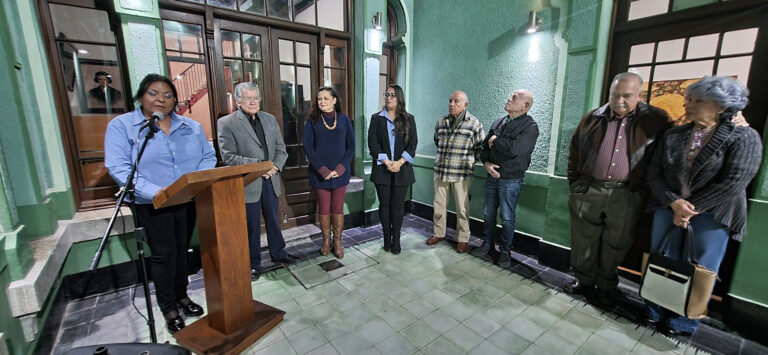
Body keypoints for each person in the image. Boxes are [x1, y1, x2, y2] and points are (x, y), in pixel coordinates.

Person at [644, 76, 762, 336]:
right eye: (689, 99)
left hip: (713, 215)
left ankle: (683, 321)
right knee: (662, 259)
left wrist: (689, 209)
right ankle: (653, 310)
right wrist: (674, 202)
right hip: (668, 207)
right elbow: (654, 172)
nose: (689, 104)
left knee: (700, 268)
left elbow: (735, 181)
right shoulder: (674, 134)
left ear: (721, 105)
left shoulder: (743, 136)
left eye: (699, 100)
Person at [104, 74, 216, 332]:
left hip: (186, 199)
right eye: (153, 93)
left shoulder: (190, 126)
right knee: (164, 255)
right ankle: (168, 307)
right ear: (141, 97)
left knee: (182, 251)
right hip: (152, 203)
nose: (160, 99)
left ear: (175, 100)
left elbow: (208, 156)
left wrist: (195, 182)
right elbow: (119, 167)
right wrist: (157, 191)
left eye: (167, 95)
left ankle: (183, 296)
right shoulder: (124, 126)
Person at [566, 72, 672, 305]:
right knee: (584, 240)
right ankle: (584, 281)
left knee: (617, 242)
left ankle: (606, 285)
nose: (619, 101)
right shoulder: (592, 118)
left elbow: (669, 151)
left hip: (626, 194)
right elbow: (574, 151)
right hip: (589, 189)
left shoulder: (655, 120)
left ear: (640, 95)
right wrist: (575, 183)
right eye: (615, 95)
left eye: (626, 96)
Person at [217, 82, 298, 282]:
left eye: (255, 98)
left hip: (271, 179)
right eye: (247, 98)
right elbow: (229, 156)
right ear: (237, 101)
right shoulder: (227, 123)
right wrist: (260, 166)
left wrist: (275, 167)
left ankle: (278, 253)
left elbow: (281, 149)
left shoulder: (270, 119)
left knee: (273, 219)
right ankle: (252, 263)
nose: (253, 102)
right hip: (248, 183)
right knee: (251, 226)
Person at [473, 89, 539, 268]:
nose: (509, 99)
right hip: (491, 176)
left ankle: (504, 252)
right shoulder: (498, 122)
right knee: (487, 213)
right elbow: (484, 149)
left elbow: (515, 149)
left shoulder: (530, 127)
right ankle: (487, 245)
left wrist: (495, 141)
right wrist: (486, 163)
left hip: (511, 180)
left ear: (525, 106)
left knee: (507, 217)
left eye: (514, 98)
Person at [426, 91, 486, 253]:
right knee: (438, 206)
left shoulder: (474, 124)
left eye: (456, 101)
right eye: (450, 101)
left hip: (462, 174)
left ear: (465, 105)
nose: (452, 104)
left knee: (462, 208)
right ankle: (439, 233)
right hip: (441, 172)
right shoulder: (441, 122)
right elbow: (437, 142)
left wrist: (470, 162)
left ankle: (463, 239)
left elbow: (481, 149)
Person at [303, 86, 355, 259]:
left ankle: (338, 242)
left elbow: (351, 146)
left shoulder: (344, 120)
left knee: (337, 208)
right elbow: (308, 147)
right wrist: (323, 170)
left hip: (341, 173)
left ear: (334, 100)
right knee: (324, 208)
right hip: (320, 173)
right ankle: (326, 241)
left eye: (326, 98)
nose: (322, 102)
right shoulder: (312, 121)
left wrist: (340, 168)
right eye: (319, 99)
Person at [368, 84, 418, 254]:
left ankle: (396, 240)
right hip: (382, 169)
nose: (388, 97)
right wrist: (388, 162)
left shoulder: (409, 119)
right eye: (386, 94)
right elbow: (372, 143)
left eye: (392, 95)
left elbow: (412, 145)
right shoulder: (376, 118)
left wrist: (399, 162)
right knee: (385, 205)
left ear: (399, 98)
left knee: (397, 206)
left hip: (402, 170)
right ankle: (386, 238)